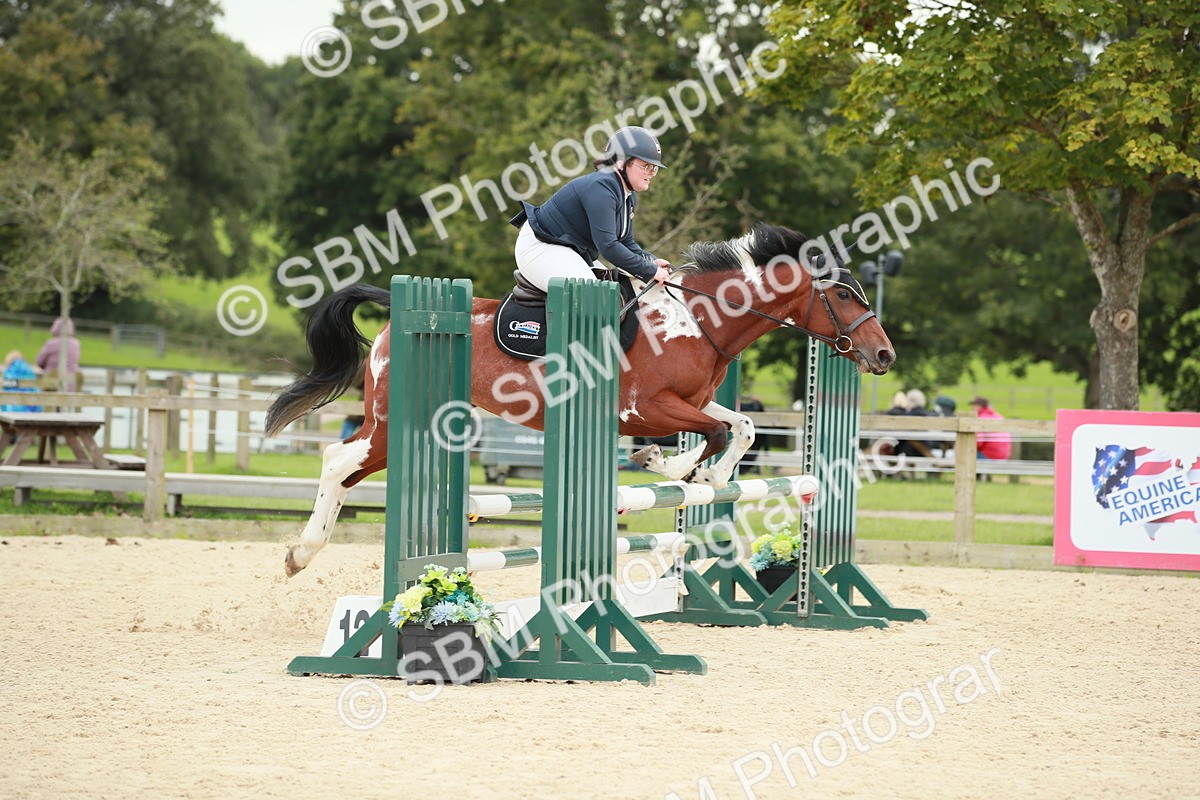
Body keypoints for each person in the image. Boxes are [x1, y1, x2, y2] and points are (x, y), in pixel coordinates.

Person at [509, 126, 673, 292]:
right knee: (591, 295)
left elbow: (625, 241)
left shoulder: (627, 194)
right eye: (646, 166)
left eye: (654, 168)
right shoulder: (601, 189)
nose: (651, 173)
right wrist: (650, 271)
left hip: (569, 251)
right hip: (541, 246)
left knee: (616, 292)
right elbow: (608, 246)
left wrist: (651, 261)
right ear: (621, 162)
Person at [35, 317, 81, 391]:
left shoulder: (50, 344)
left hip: (51, 384)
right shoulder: (76, 344)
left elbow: (39, 361)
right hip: (71, 385)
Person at [970, 396, 1012, 460]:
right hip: (1004, 455)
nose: (972, 408)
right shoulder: (999, 416)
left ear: (979, 406)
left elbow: (979, 442)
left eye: (974, 405)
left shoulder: (981, 418)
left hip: (989, 455)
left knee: (966, 454)